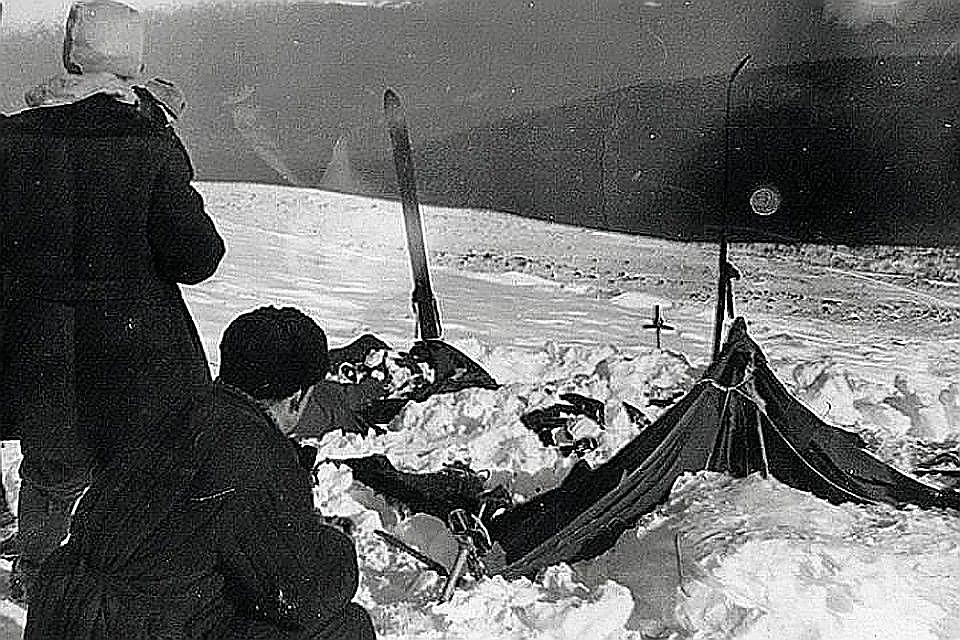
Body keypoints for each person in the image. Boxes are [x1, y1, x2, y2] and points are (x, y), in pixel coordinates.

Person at [0, 0, 224, 601]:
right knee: (132, 470)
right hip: (134, 345)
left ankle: (37, 579)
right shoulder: (149, 140)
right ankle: (120, 579)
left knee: (50, 468)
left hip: (37, 345)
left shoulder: (8, 139)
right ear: (135, 60)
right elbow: (197, 258)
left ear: (68, 54)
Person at [25, 306, 377, 639]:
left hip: (61, 608)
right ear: (297, 398)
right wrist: (335, 545)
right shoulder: (258, 450)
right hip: (130, 626)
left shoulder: (170, 409)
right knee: (346, 626)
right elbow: (299, 599)